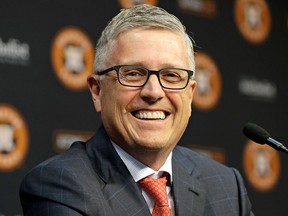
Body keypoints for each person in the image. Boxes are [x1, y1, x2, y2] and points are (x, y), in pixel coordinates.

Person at [19, 4, 254, 216]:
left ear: (190, 94)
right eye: (133, 74)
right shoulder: (57, 185)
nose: (153, 92)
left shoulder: (226, 185)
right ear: (97, 91)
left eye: (171, 75)